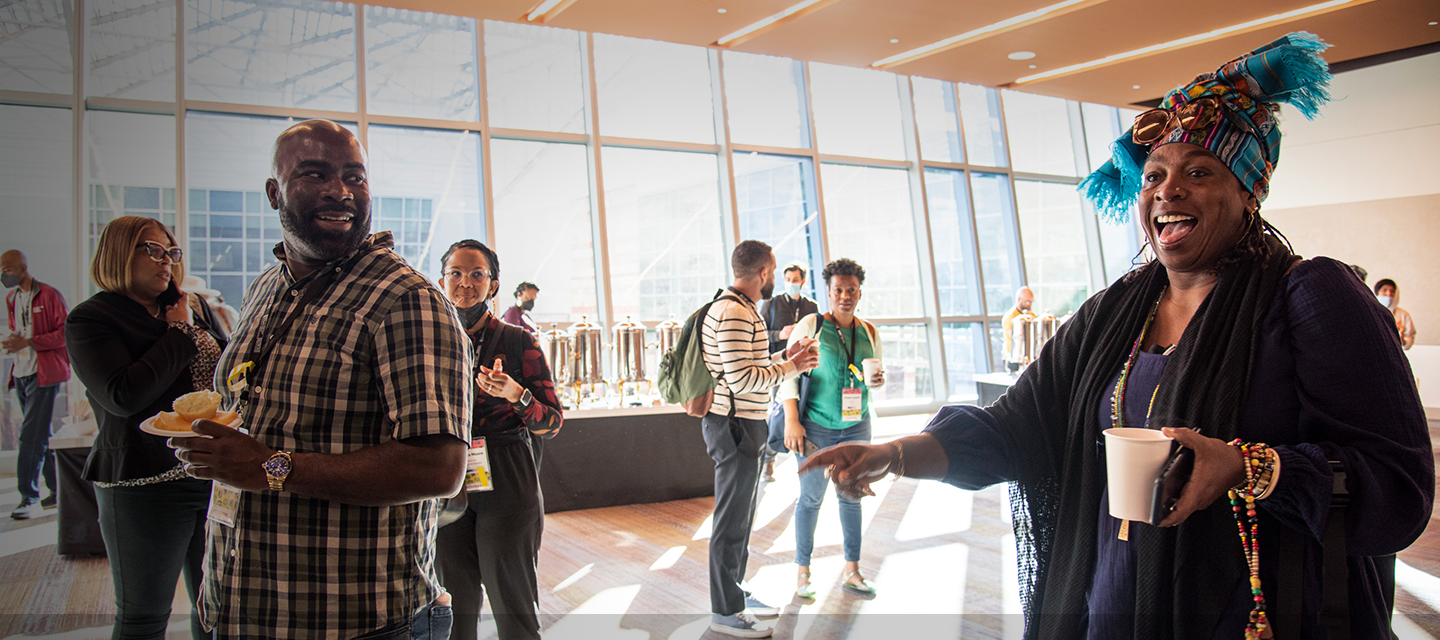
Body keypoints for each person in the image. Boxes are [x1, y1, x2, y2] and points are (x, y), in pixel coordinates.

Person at [800, 33, 1431, 640]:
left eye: (1200, 172)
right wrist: (897, 454)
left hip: (1253, 614)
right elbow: (1021, 426)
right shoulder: (1113, 312)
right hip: (1113, 601)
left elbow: (1395, 487)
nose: (1168, 190)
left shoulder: (1311, 296)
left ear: (1249, 191)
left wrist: (1243, 466)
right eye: (1153, 175)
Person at [170, 120, 470, 639]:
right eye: (315, 173)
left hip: (353, 620)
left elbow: (440, 468)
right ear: (274, 193)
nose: (340, 191)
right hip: (238, 604)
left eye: (355, 176)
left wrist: (272, 467)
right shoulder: (265, 288)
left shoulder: (405, 300)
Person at [64, 216, 226, 638]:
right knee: (145, 615)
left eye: (172, 253)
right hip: (144, 483)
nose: (167, 262)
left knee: (217, 608)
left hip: (211, 474)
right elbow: (122, 396)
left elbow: (231, 369)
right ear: (119, 253)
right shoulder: (92, 319)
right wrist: (178, 331)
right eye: (153, 250)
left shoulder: (193, 306)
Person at [433, 240, 563, 640]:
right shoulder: (427, 340)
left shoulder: (518, 341)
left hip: (506, 469)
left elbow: (552, 422)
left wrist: (517, 395)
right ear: (442, 281)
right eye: (455, 273)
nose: (465, 283)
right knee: (453, 601)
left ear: (493, 285)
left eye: (476, 274)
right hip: (445, 470)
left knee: (513, 601)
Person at [700, 240, 819, 638]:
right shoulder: (734, 312)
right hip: (733, 425)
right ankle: (725, 612)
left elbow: (750, 366)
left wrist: (788, 357)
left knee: (742, 517)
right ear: (766, 272)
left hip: (742, 424)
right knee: (731, 519)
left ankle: (734, 593)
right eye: (774, 269)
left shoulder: (741, 308)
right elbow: (742, 379)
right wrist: (792, 365)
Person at [778, 258, 885, 599]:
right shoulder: (812, 325)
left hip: (856, 426)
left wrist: (878, 381)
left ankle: (852, 571)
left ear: (859, 292)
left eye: (851, 290)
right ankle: (802, 573)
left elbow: (872, 377)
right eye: (838, 290)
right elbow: (788, 373)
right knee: (810, 499)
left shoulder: (869, 331)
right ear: (828, 292)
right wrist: (792, 420)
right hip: (816, 427)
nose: (844, 296)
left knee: (851, 498)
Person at [2, 250, 69, 520]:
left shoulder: (49, 295)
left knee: (29, 436)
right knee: (41, 434)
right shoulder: (11, 298)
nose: (3, 274)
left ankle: (28, 497)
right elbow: (18, 331)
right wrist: (13, 341)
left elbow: (64, 333)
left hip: (45, 374)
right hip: (21, 373)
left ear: (23, 267)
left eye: (7, 268)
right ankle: (56, 491)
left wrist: (29, 342)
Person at [758, 263, 819, 482]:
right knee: (779, 414)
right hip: (778, 366)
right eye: (788, 279)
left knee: (801, 414)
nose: (792, 283)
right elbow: (761, 334)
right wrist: (780, 335)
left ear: (803, 281)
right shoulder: (771, 304)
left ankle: (805, 462)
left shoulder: (812, 307)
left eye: (796, 279)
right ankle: (769, 461)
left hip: (805, 369)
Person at [1373, 279, 1416, 350]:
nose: (1389, 294)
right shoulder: (1371, 311)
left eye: (1392, 291)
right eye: (1384, 290)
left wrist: (1403, 341)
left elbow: (1409, 339)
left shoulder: (1403, 315)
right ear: (1376, 293)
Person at [1001, 286, 1036, 373]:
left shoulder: (1031, 315)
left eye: (1031, 302)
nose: (1030, 305)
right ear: (1019, 299)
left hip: (1029, 358)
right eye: (1027, 302)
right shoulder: (1010, 316)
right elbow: (1016, 338)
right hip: (1014, 359)